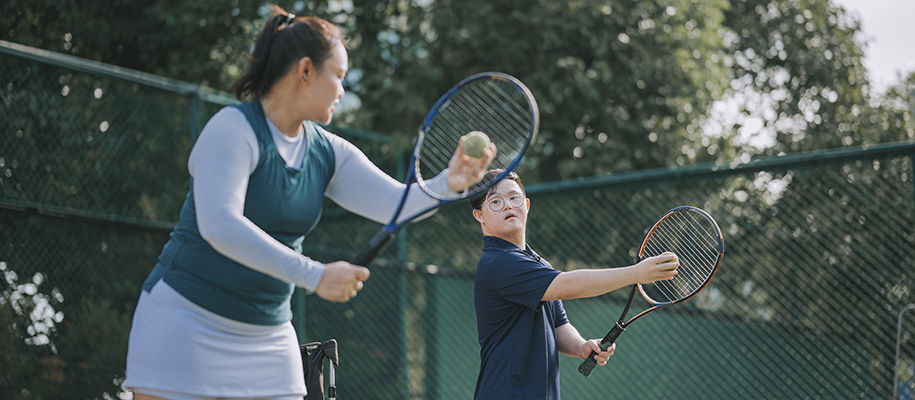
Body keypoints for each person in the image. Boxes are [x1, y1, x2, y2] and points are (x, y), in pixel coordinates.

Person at [124, 6, 495, 400]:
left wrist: (448, 184)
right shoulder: (232, 128)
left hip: (268, 337)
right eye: (338, 76)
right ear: (304, 72)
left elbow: (395, 204)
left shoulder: (328, 152)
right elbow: (219, 223)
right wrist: (315, 275)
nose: (342, 89)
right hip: (184, 323)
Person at [469, 170, 678, 399]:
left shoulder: (536, 262)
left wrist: (580, 346)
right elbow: (567, 285)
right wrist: (635, 273)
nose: (508, 205)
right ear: (479, 215)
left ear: (526, 204)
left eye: (514, 197)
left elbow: (558, 324)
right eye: (495, 201)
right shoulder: (499, 262)